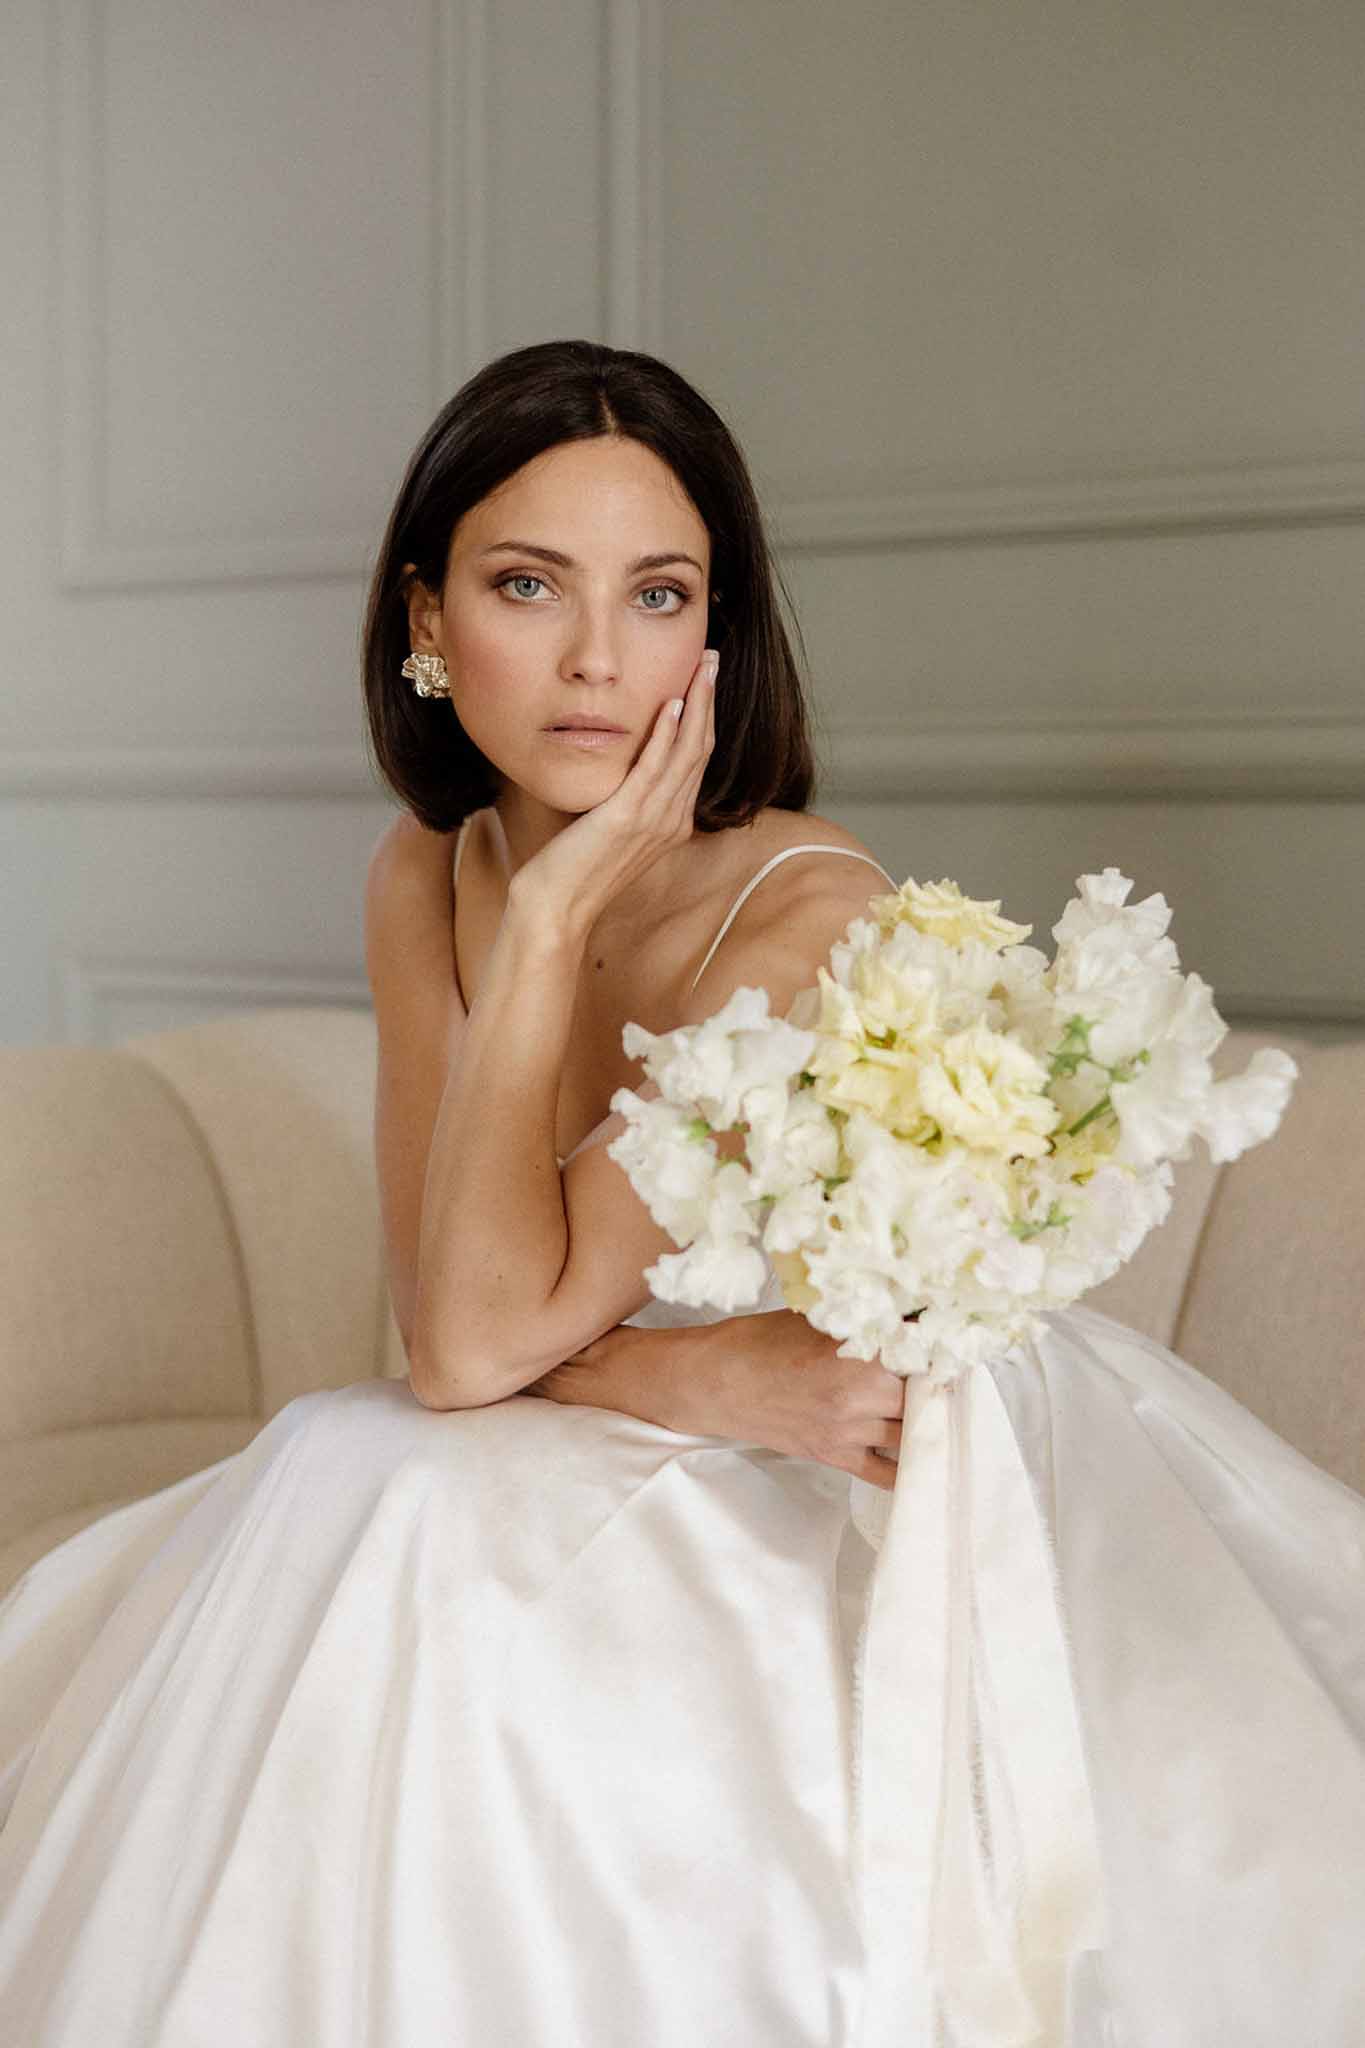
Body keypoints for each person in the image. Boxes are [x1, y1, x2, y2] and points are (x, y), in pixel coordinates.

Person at [0, 340, 1361, 2047]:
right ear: (425, 623)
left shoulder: (797, 915)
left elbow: (476, 1339)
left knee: (391, 1483)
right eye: (524, 586)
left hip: (855, 1462)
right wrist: (557, 933)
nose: (594, 662)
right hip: (618, 1410)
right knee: (377, 1478)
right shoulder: (433, 868)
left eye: (657, 596)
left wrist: (570, 979)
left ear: (717, 635)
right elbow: (451, 1323)